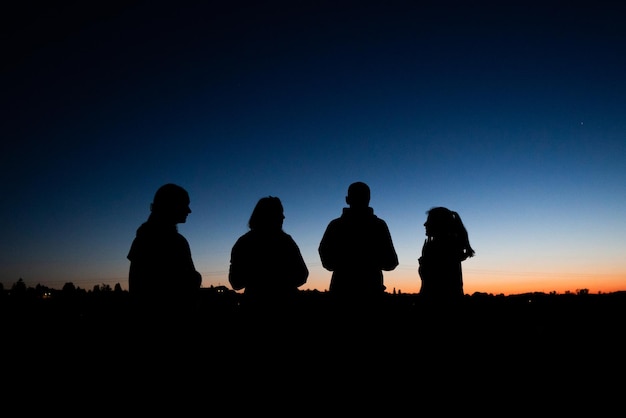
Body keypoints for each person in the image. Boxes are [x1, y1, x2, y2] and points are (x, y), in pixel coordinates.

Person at [127, 183, 202, 322]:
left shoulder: (142, 239)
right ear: (171, 206)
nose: (189, 210)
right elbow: (182, 285)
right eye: (184, 204)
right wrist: (196, 278)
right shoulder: (176, 242)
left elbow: (137, 289)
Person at [318, 181, 398, 308]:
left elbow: (327, 260)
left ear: (347, 200)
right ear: (369, 199)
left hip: (343, 293)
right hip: (369, 295)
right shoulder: (379, 226)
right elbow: (391, 262)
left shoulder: (335, 225)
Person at [228, 196, 309, 314]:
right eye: (280, 213)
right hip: (285, 307)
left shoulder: (244, 242)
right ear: (269, 216)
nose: (283, 217)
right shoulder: (286, 241)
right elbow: (302, 275)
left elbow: (235, 282)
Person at [418, 206, 475, 304]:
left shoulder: (442, 248)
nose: (425, 224)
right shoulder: (445, 246)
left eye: (429, 221)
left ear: (439, 224)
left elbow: (436, 286)